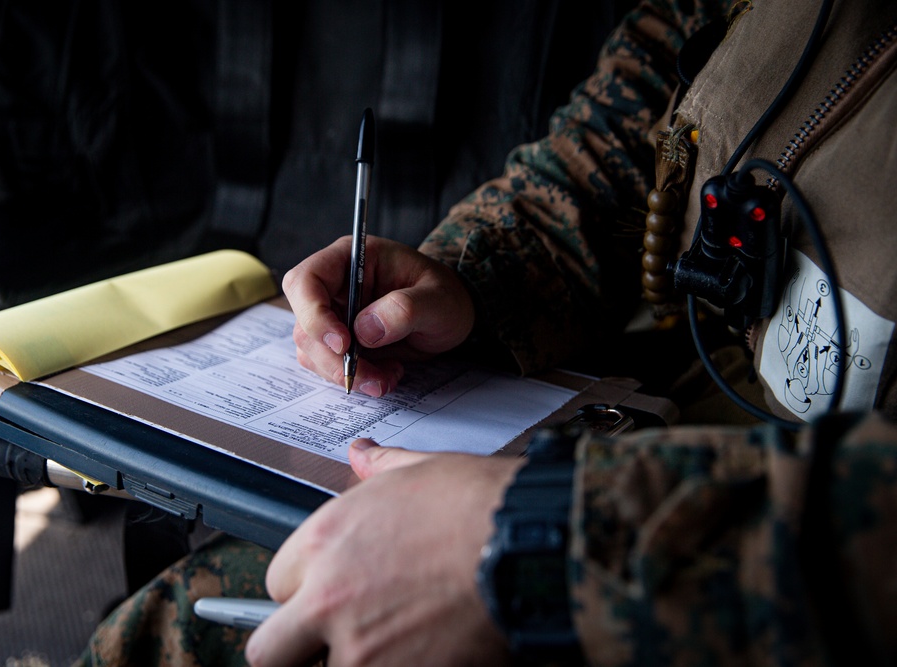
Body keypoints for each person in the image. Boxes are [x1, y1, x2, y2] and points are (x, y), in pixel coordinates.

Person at [79, 0, 897, 664]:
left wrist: (548, 550)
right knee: (174, 625)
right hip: (656, 421)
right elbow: (633, 125)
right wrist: (474, 277)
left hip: (760, 568)